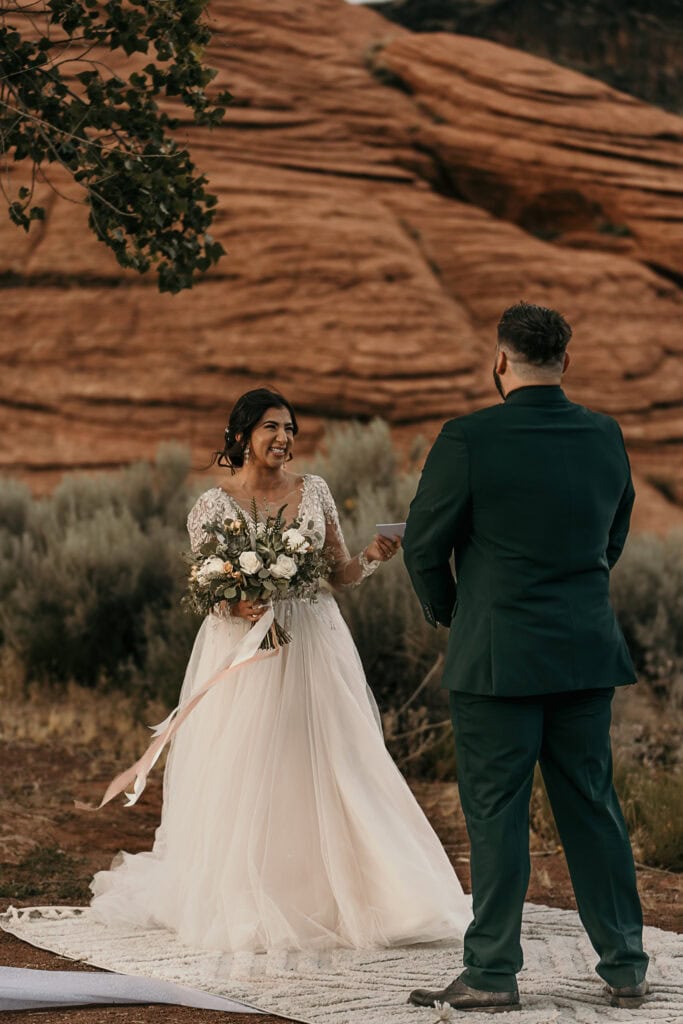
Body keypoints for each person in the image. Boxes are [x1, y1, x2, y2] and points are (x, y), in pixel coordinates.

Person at [91, 387, 472, 952]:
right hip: (242, 650)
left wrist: (370, 557)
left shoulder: (313, 491)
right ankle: (252, 890)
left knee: (336, 756)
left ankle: (368, 893)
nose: (284, 438)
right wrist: (234, 604)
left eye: (290, 428)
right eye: (272, 427)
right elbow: (204, 585)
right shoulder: (211, 506)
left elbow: (336, 572)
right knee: (249, 761)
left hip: (313, 640)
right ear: (242, 434)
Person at [403, 302, 649, 1013]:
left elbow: (423, 546)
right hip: (583, 652)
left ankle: (490, 973)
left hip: (496, 657)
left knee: (496, 814)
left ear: (500, 360)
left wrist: (452, 611)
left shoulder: (469, 436)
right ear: (565, 361)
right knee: (592, 807)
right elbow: (613, 534)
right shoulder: (605, 435)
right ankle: (626, 965)